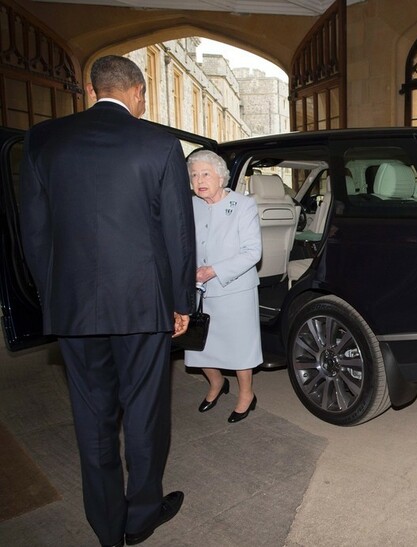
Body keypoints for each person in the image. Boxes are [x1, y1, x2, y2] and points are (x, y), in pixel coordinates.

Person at [19, 55, 195, 546]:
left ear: (91, 90)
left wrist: (53, 295)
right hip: (143, 305)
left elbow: (33, 231)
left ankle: (106, 525)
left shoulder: (43, 140)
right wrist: (181, 301)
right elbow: (178, 233)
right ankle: (141, 517)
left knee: (92, 416)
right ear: (137, 92)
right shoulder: (160, 143)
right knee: (144, 413)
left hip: (73, 306)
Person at [185, 150, 263, 423]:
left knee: (239, 346)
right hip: (198, 288)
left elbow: (253, 252)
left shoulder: (243, 205)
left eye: (205, 174)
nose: (199, 180)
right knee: (198, 342)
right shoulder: (191, 205)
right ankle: (217, 383)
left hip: (235, 288)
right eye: (194, 175)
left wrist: (213, 271)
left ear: (221, 177)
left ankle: (247, 394)